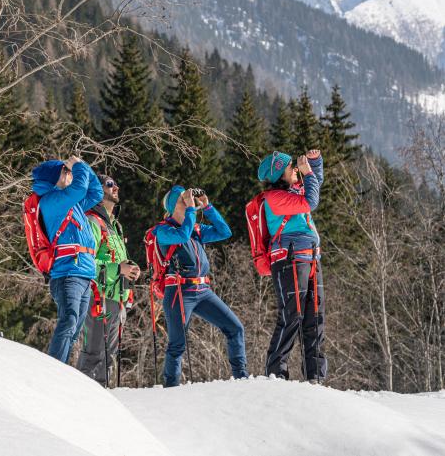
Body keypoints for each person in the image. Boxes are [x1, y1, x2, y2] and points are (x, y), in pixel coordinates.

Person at [153, 186, 248, 386]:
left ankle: (242, 378)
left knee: (235, 328)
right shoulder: (163, 230)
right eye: (182, 199)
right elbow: (182, 236)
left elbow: (224, 232)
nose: (188, 201)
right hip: (179, 291)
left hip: (203, 291)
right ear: (173, 207)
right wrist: (190, 210)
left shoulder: (196, 229)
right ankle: (171, 388)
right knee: (177, 343)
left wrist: (208, 208)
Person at [258, 149, 326, 382]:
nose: (295, 168)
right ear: (280, 175)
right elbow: (311, 200)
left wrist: (315, 163)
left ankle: (315, 376)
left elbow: (315, 184)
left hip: (310, 258)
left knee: (314, 317)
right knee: (292, 315)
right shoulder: (274, 199)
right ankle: (276, 373)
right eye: (291, 167)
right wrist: (307, 173)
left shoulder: (295, 190)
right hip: (289, 259)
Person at [32, 156, 103, 364]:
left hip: (84, 274)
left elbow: (96, 192)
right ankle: (54, 369)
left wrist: (84, 166)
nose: (70, 174)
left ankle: (60, 369)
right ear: (55, 177)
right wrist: (79, 166)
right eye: (65, 171)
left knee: (74, 328)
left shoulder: (72, 203)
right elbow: (81, 189)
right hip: (68, 273)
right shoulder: (51, 200)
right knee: (69, 321)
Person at [77, 174, 140, 385]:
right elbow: (85, 263)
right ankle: (81, 399)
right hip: (98, 297)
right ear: (97, 189)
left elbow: (118, 260)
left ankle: (104, 400)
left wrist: (130, 269)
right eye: (110, 184)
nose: (116, 187)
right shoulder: (92, 222)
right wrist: (118, 269)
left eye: (116, 183)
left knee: (109, 357)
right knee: (93, 354)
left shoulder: (115, 225)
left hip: (116, 298)